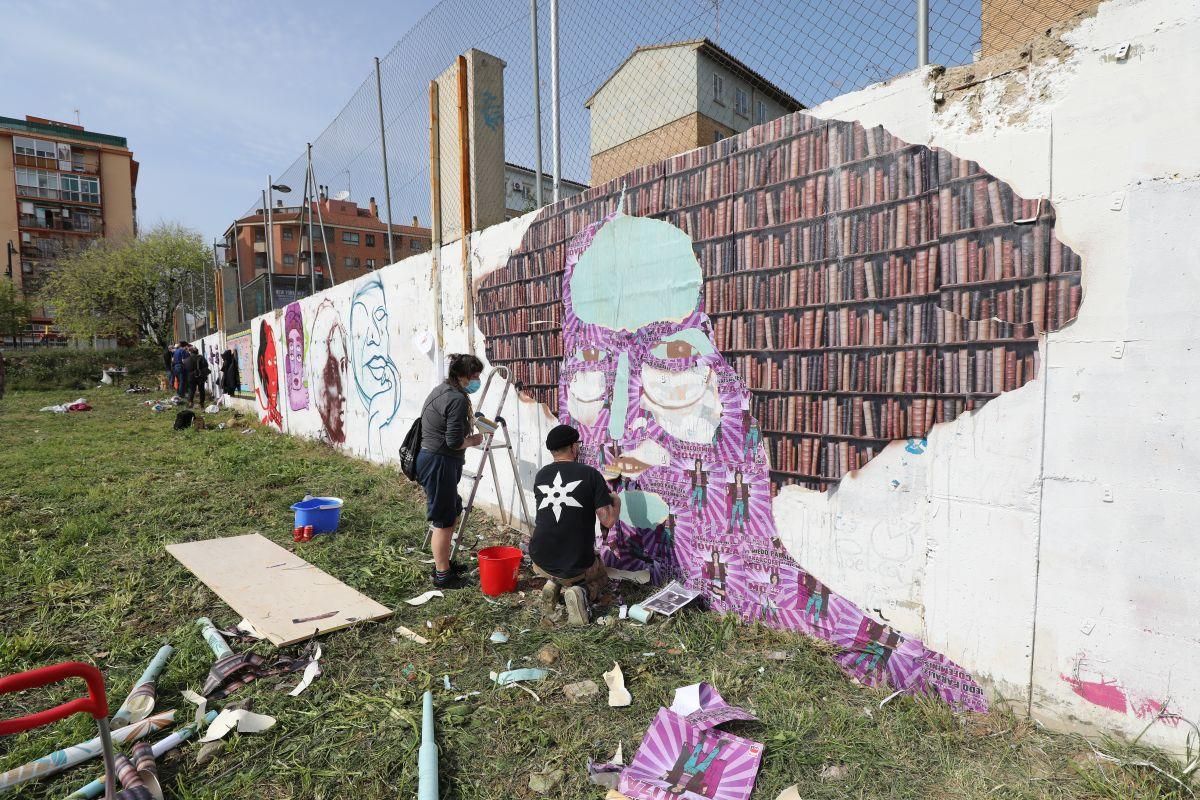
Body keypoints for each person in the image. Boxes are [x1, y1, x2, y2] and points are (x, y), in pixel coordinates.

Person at [529, 424, 620, 625]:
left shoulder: (541, 475)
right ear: (573, 447)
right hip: (574, 562)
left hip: (539, 557)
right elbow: (608, 520)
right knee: (602, 574)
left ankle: (552, 585)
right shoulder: (590, 474)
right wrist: (617, 502)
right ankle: (581, 592)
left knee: (560, 560)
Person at [416, 353, 484, 589]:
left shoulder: (442, 390)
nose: (477, 380)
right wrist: (474, 440)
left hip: (434, 459)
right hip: (439, 462)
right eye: (474, 376)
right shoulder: (456, 399)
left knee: (452, 508)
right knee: (443, 519)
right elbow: (454, 441)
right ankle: (443, 575)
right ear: (462, 376)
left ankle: (443, 562)